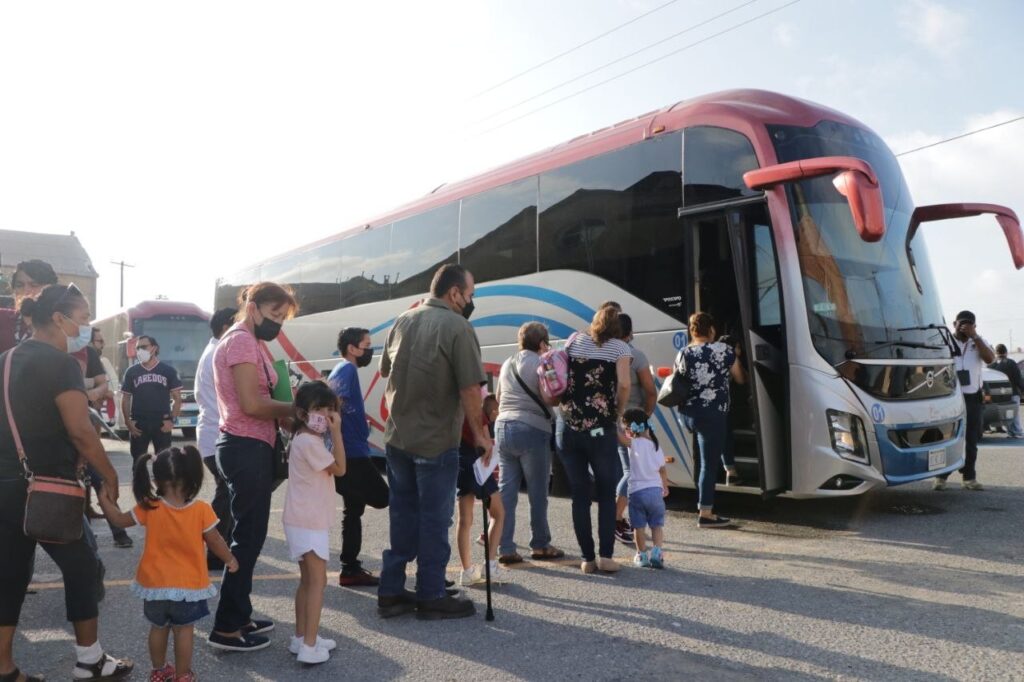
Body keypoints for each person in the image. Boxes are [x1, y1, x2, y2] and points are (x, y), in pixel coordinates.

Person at [0, 284, 133, 681]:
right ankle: (89, 660)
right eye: (83, 316)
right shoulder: (62, 365)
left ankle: (4, 667)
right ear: (58, 318)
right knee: (83, 569)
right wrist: (109, 475)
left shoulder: (5, 360)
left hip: (5, 484)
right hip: (47, 488)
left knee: (9, 574)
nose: (85, 325)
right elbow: (81, 431)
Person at [376, 264, 490, 621]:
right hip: (437, 440)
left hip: (398, 437)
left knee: (403, 515)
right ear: (455, 293)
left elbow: (384, 371)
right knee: (435, 519)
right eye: (469, 295)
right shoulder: (459, 326)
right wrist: (482, 436)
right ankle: (431, 593)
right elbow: (471, 388)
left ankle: (392, 590)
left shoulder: (403, 320)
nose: (470, 301)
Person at [97, 445, 237, 682]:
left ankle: (159, 671)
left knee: (158, 628)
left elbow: (119, 519)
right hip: (188, 587)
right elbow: (215, 540)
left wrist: (103, 500)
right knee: (184, 631)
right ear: (192, 477)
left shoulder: (149, 507)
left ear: (156, 478)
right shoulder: (201, 509)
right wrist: (230, 559)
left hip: (154, 586)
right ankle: (183, 675)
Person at [209, 282, 297, 652]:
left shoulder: (253, 342)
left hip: (250, 445)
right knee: (247, 537)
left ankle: (240, 613)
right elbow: (251, 404)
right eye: (275, 315)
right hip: (245, 445)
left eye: (283, 318)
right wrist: (298, 407)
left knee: (250, 534)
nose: (278, 324)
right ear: (254, 307)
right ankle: (227, 627)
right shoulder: (242, 341)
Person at [559, 306, 632, 574]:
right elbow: (624, 384)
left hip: (567, 427)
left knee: (580, 494)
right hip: (600, 429)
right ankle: (605, 557)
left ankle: (587, 559)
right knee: (605, 492)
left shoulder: (574, 340)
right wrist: (618, 413)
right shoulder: (620, 349)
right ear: (618, 327)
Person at [283, 381, 346, 665]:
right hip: (309, 522)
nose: (325, 414)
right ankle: (309, 646)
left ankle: (302, 637)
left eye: (329, 408)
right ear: (302, 413)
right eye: (318, 409)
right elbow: (341, 469)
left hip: (301, 519)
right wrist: (337, 431)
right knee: (317, 583)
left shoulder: (303, 438)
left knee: (307, 582)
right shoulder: (310, 441)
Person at [494, 321, 564, 565]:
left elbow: (499, 398)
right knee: (537, 491)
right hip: (532, 428)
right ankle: (541, 544)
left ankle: (505, 547)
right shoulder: (542, 364)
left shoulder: (507, 363)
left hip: (503, 427)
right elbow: (548, 398)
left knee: (507, 491)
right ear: (542, 343)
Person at [327, 327, 389, 587]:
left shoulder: (340, 369)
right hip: (352, 453)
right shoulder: (347, 369)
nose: (369, 351)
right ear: (352, 348)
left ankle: (349, 568)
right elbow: (334, 402)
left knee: (353, 509)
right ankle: (353, 567)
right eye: (366, 346)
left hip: (349, 449)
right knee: (384, 497)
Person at [679, 312, 746, 528]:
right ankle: (705, 513)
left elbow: (678, 380)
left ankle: (702, 503)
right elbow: (740, 378)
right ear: (712, 330)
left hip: (689, 415)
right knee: (709, 464)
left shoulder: (684, 352)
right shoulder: (723, 351)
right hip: (712, 414)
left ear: (692, 331)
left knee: (701, 459)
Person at [75, 332, 134, 548]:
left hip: (87, 432)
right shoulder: (52, 354)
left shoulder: (89, 354)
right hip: (61, 435)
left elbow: (104, 388)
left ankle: (118, 532)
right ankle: (81, 536)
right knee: (75, 488)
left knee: (100, 478)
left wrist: (91, 393)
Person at [195, 307, 238, 570]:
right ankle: (215, 552)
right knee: (227, 495)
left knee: (229, 493)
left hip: (212, 435)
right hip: (217, 435)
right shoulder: (218, 354)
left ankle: (218, 548)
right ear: (226, 327)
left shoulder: (213, 351)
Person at [934, 311, 994, 491]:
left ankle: (969, 478)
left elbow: (990, 359)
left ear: (975, 326)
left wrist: (974, 337)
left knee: (971, 439)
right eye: (962, 323)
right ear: (954, 324)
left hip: (972, 397)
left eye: (970, 324)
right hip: (949, 397)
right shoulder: (945, 342)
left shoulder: (979, 342)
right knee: (946, 437)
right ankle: (941, 477)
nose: (965, 327)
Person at [613, 313, 657, 545]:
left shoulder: (605, 353)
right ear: (630, 333)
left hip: (613, 419)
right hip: (632, 421)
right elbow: (650, 391)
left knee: (628, 469)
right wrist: (645, 418)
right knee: (633, 471)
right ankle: (615, 517)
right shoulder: (635, 356)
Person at [456, 399, 508, 587]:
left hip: (459, 461)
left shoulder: (454, 406)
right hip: (477, 465)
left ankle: (467, 571)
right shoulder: (476, 410)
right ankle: (490, 565)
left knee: (464, 520)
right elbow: (486, 443)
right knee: (498, 513)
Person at [618, 409, 669, 569]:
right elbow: (662, 469)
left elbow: (621, 439)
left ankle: (642, 555)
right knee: (656, 526)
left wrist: (614, 426)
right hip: (655, 492)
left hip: (637, 492)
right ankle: (657, 552)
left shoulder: (634, 443)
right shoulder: (656, 445)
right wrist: (665, 486)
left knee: (639, 527)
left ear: (631, 429)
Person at [121, 336, 183, 462]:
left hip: (161, 422)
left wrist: (172, 420)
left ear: (154, 348)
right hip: (139, 422)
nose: (140, 351)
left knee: (164, 462)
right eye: (137, 348)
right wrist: (128, 421)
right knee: (138, 461)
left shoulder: (168, 371)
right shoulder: (132, 372)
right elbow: (126, 398)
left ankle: (160, 481)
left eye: (143, 347)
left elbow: (177, 398)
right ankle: (139, 482)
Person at [0, 260, 59, 354]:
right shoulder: (3, 318)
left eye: (34, 285)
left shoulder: (63, 324)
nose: (26, 291)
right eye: (20, 285)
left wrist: (32, 324)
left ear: (50, 289)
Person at [988, 343, 1024, 439]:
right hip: (1013, 393)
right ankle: (1017, 432)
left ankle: (1010, 432)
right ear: (1006, 352)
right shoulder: (1011, 363)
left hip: (998, 395)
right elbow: (1018, 379)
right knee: (1014, 414)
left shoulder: (992, 364)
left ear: (996, 352)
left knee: (1006, 415)